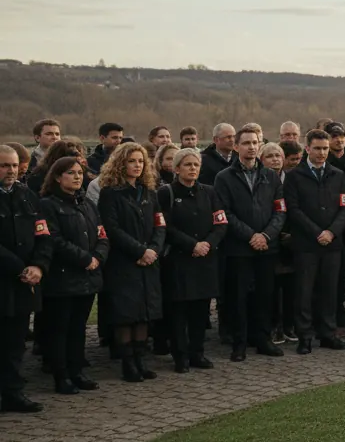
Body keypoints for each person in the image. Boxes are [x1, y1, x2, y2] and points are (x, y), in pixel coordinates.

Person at [215, 127, 287, 361]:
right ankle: (240, 342)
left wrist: (265, 236)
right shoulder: (224, 177)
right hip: (238, 248)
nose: (252, 147)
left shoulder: (271, 176)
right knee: (238, 297)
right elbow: (225, 213)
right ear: (236, 147)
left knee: (265, 295)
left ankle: (263, 339)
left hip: (267, 247)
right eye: (246, 143)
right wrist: (250, 236)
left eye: (255, 142)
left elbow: (280, 211)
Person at [97, 142, 167, 382]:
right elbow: (112, 229)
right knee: (126, 313)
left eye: (140, 161)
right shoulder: (110, 193)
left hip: (149, 261)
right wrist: (140, 251)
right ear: (120, 163)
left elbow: (160, 224)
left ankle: (140, 360)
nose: (137, 166)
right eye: (131, 161)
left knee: (144, 313)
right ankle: (128, 364)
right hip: (124, 262)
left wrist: (154, 249)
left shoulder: (149, 192)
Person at [38, 156, 105, 395]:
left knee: (78, 328)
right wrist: (84, 258)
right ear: (57, 177)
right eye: (71, 173)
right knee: (60, 329)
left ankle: (77, 371)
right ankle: (61, 375)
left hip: (88, 278)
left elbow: (101, 234)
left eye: (79, 172)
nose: (78, 177)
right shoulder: (48, 205)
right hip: (63, 278)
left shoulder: (87, 204)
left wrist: (97, 255)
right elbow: (53, 239)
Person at [157, 148, 227, 373]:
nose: (192, 169)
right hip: (179, 260)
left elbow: (221, 222)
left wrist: (208, 243)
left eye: (196, 165)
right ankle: (180, 355)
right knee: (179, 312)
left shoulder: (210, 192)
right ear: (177, 169)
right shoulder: (165, 193)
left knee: (201, 310)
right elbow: (165, 226)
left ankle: (197, 352)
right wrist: (191, 245)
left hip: (205, 260)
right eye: (187, 165)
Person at [285, 129, 345, 354]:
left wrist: (331, 232)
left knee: (329, 291)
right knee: (304, 292)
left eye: (325, 148)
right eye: (317, 148)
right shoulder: (295, 176)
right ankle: (305, 336)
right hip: (306, 244)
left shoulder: (338, 175)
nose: (322, 153)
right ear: (307, 149)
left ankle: (328, 333)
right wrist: (317, 232)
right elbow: (294, 210)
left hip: (333, 244)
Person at [0, 145, 50, 412]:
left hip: (24, 283)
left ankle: (13, 392)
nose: (10, 170)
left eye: (13, 165)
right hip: (6, 278)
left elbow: (43, 235)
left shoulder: (28, 196)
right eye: (4, 165)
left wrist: (38, 266)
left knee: (15, 341)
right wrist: (20, 267)